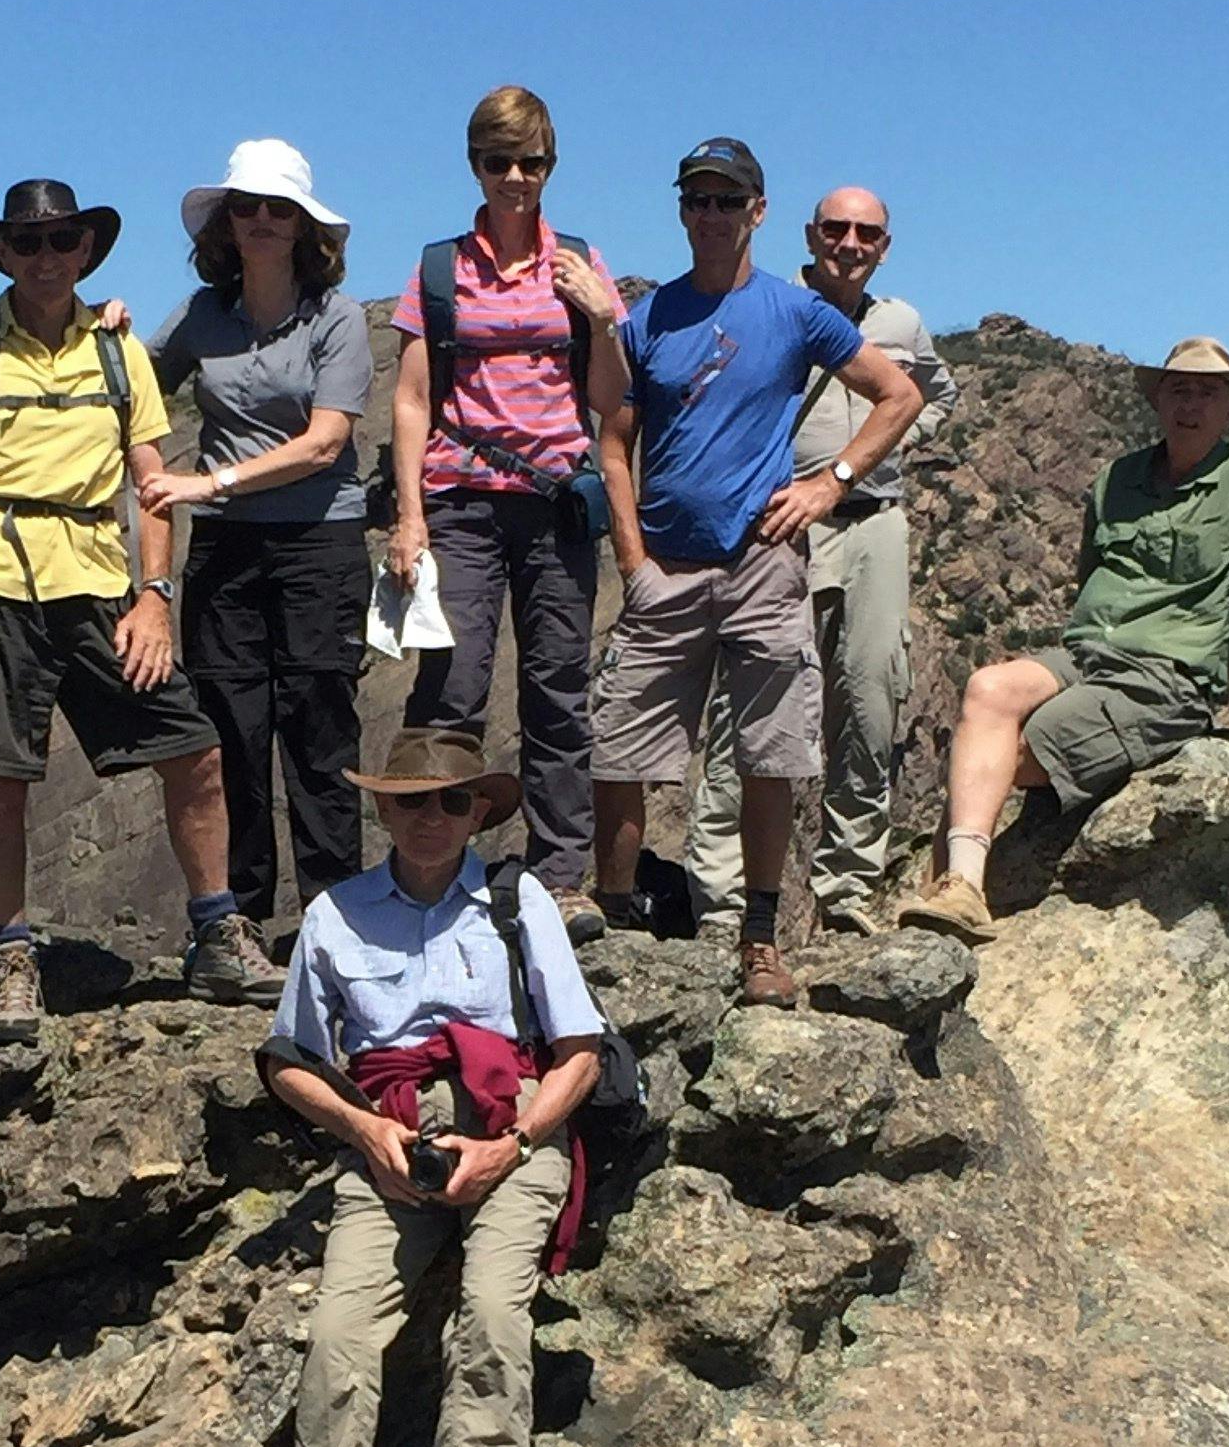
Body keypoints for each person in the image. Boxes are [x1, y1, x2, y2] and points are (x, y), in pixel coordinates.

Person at [260, 728, 607, 1447]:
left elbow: (577, 1048)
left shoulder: (515, 900)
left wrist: (514, 1146)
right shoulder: (335, 916)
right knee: (339, 1332)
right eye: (412, 799)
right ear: (382, 808)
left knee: (492, 1317)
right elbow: (289, 1058)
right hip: (391, 1144)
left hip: (508, 1134)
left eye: (452, 801)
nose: (432, 817)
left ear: (477, 812)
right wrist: (362, 1133)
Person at [0, 176, 285, 1044]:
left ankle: (216, 932)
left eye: (61, 241)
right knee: (1, 779)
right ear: (3, 252)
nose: (45, 257)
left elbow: (151, 483)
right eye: (27, 243)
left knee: (191, 750)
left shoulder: (117, 351)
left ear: (86, 250)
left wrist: (156, 598)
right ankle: (10, 956)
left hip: (101, 583)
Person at [900, 336, 1229, 943]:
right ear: (1158, 400)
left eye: (1209, 391)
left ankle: (956, 881)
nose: (1192, 403)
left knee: (1018, 748)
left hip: (1164, 680)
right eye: (1180, 388)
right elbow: (1089, 576)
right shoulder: (1117, 480)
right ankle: (960, 890)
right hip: (1086, 653)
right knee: (987, 689)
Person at [588, 139, 924, 1007]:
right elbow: (614, 441)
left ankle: (761, 939)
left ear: (759, 213)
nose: (712, 214)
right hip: (667, 566)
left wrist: (830, 482)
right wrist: (632, 558)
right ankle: (616, 921)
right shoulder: (648, 318)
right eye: (698, 199)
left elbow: (898, 395)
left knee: (770, 757)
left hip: (764, 566)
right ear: (682, 210)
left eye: (728, 201)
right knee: (622, 749)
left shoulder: (795, 313)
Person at [386, 87, 628, 945]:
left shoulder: (581, 265)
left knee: (558, 691)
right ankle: (430, 876)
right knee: (451, 690)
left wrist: (602, 320)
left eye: (531, 162)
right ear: (475, 167)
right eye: (499, 162)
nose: (515, 178)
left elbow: (609, 403)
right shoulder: (439, 270)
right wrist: (408, 517)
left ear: (551, 166)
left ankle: (562, 878)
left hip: (555, 506)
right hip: (459, 506)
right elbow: (413, 399)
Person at [686, 186, 960, 934]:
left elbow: (935, 395)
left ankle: (847, 891)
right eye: (835, 228)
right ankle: (721, 900)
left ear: (884, 244)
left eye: (866, 231)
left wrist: (892, 444)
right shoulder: (767, 307)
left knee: (872, 701)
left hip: (875, 522)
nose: (849, 242)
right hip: (781, 523)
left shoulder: (902, 323)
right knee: (750, 709)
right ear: (809, 234)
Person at [140, 140, 374, 934]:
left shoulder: (336, 319)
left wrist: (208, 484)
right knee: (230, 733)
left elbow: (325, 443)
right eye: (248, 207)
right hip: (228, 552)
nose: (263, 221)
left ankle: (333, 922)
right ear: (226, 224)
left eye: (279, 209)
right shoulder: (203, 315)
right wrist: (102, 329)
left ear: (306, 226)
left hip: (320, 543)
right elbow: (137, 386)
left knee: (318, 731)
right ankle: (238, 921)